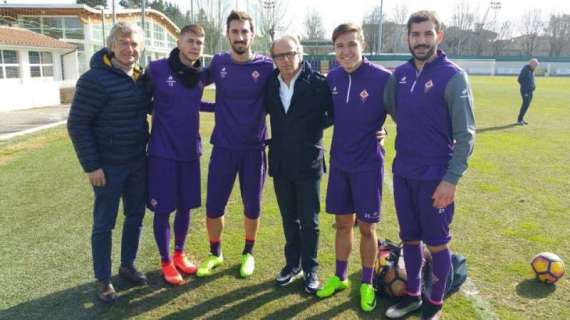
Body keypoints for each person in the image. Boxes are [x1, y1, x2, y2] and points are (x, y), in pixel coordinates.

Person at [384, 11, 475, 320]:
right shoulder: (400, 75)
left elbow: (465, 135)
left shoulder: (452, 75)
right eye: (415, 35)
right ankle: (412, 295)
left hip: (436, 177)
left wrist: (450, 179)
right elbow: (395, 113)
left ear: (439, 36)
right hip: (403, 172)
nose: (421, 40)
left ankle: (434, 304)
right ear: (407, 38)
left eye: (427, 34)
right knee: (409, 237)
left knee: (436, 243)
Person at [68, 21, 149, 303]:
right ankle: (103, 280)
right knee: (104, 224)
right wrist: (92, 166)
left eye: (134, 44)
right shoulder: (94, 79)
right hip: (108, 167)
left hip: (138, 163)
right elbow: (77, 124)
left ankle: (127, 265)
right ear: (112, 46)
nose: (130, 48)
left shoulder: (140, 78)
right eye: (124, 43)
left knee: (135, 217)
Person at [315, 23, 391, 313]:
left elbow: (401, 115)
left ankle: (368, 282)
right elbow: (327, 115)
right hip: (340, 164)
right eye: (340, 46)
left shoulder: (382, 79)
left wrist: (386, 132)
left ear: (363, 45)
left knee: (368, 228)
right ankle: (340, 276)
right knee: (343, 224)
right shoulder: (331, 78)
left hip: (368, 166)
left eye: (351, 45)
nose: (346, 52)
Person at [196, 11, 274, 278]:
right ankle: (215, 253)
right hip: (224, 148)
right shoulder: (218, 63)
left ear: (253, 34)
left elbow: (292, 87)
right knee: (214, 206)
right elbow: (190, 82)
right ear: (228, 34)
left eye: (244, 31)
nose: (240, 37)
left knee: (252, 206)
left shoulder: (266, 67)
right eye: (235, 31)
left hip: (253, 150)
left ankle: (248, 253)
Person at [144, 24, 214, 285]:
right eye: (191, 41)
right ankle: (165, 261)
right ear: (179, 41)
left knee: (186, 208)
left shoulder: (201, 75)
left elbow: (193, 102)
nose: (195, 46)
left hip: (190, 153)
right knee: (164, 210)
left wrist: (222, 107)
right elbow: (143, 101)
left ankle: (179, 254)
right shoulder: (157, 69)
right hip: (163, 154)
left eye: (199, 43)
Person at [264, 35, 333, 294]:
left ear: (300, 53)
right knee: (288, 218)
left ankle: (311, 268)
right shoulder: (269, 84)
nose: (285, 60)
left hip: (309, 163)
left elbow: (336, 114)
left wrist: (311, 131)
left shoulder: (318, 84)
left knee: (310, 220)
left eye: (290, 53)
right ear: (273, 59)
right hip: (281, 163)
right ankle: (292, 264)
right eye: (279, 56)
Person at [517, 58, 539, 125]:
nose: (536, 66)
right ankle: (519, 119)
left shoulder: (532, 70)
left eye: (537, 65)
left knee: (527, 105)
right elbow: (519, 79)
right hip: (525, 91)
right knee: (525, 104)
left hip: (530, 90)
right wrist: (525, 87)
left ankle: (521, 119)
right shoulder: (526, 69)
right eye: (535, 64)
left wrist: (533, 86)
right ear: (531, 63)